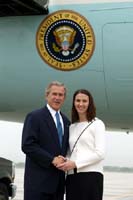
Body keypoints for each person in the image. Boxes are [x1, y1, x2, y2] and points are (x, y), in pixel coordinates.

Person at [21, 81, 70, 200]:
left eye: (60, 95)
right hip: (38, 185)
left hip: (58, 186)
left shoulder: (66, 121)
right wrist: (52, 159)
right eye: (54, 94)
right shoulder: (35, 117)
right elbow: (27, 145)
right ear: (46, 95)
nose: (57, 98)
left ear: (64, 98)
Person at [57, 89, 106, 200]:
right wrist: (65, 160)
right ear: (74, 103)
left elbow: (100, 153)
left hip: (91, 176)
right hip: (72, 177)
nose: (81, 104)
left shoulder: (97, 124)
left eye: (84, 101)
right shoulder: (72, 126)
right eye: (78, 101)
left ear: (90, 103)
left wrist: (75, 164)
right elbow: (71, 152)